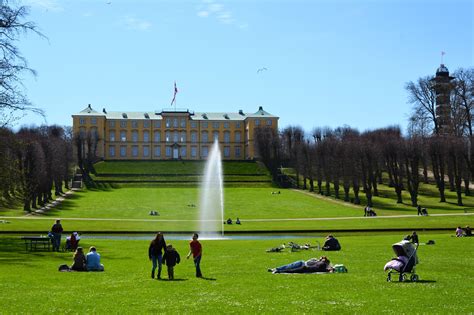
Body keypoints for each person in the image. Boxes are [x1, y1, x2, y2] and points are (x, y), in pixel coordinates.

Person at [268, 256, 333, 274]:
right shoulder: (316, 260)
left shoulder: (321, 263)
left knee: (290, 268)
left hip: (303, 265)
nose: (320, 258)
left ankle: (276, 270)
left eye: (321, 258)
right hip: (302, 263)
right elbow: (309, 262)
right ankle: (276, 269)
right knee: (289, 267)